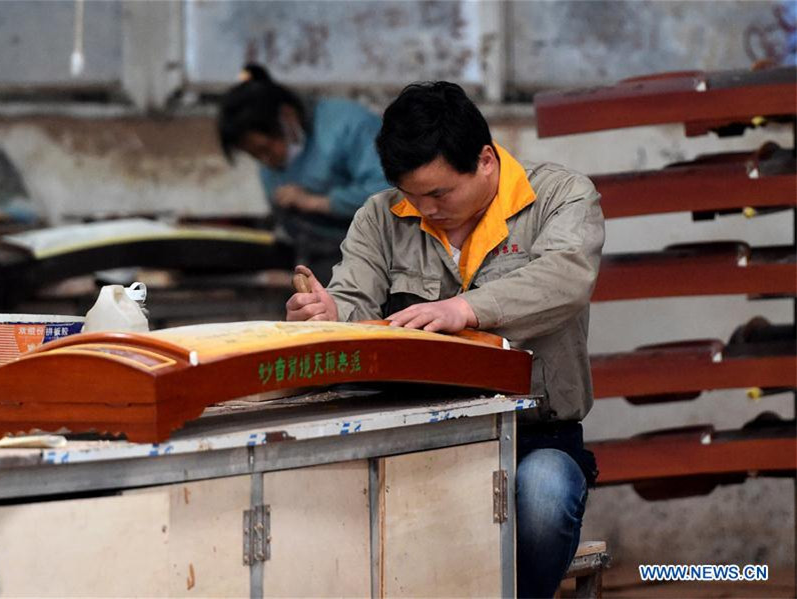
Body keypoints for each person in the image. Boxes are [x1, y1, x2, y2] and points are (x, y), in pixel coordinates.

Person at [285, 81, 605, 598]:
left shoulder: (561, 197)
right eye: (412, 195)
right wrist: (326, 314)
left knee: (544, 497)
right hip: (412, 437)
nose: (425, 208)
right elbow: (352, 305)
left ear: (484, 160)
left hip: (534, 436)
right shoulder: (380, 216)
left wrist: (465, 309)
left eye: (439, 193)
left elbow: (567, 278)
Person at [217, 64, 389, 285]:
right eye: (255, 156)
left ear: (287, 117)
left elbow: (388, 191)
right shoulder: (271, 161)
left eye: (265, 149)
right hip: (318, 260)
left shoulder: (348, 125)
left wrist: (318, 202)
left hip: (377, 257)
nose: (265, 161)